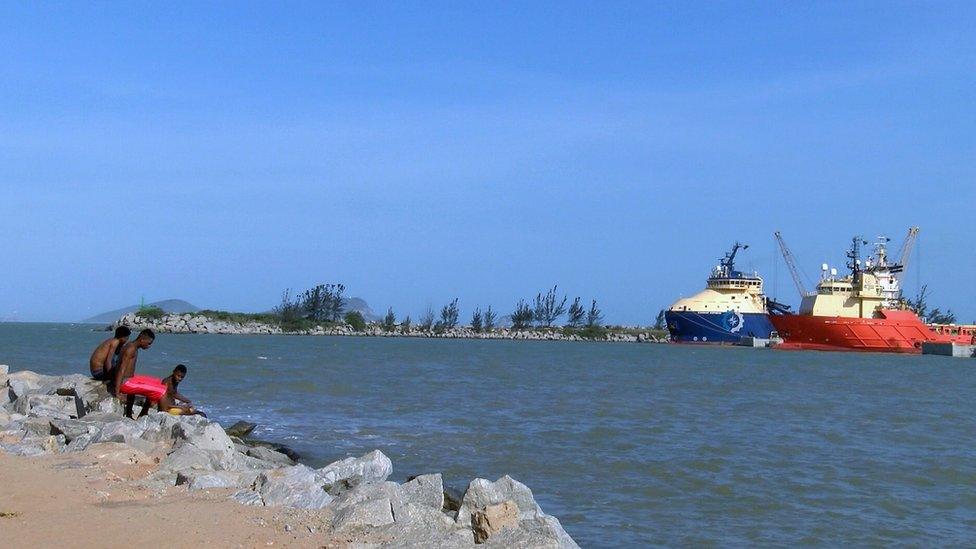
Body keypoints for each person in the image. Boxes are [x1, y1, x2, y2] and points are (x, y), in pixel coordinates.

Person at [114, 328, 155, 418]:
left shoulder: (132, 346)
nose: (149, 346)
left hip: (128, 379)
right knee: (154, 390)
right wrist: (117, 392)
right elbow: (121, 369)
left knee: (157, 382)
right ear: (142, 339)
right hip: (124, 382)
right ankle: (143, 414)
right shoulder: (131, 348)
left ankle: (129, 414)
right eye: (148, 343)